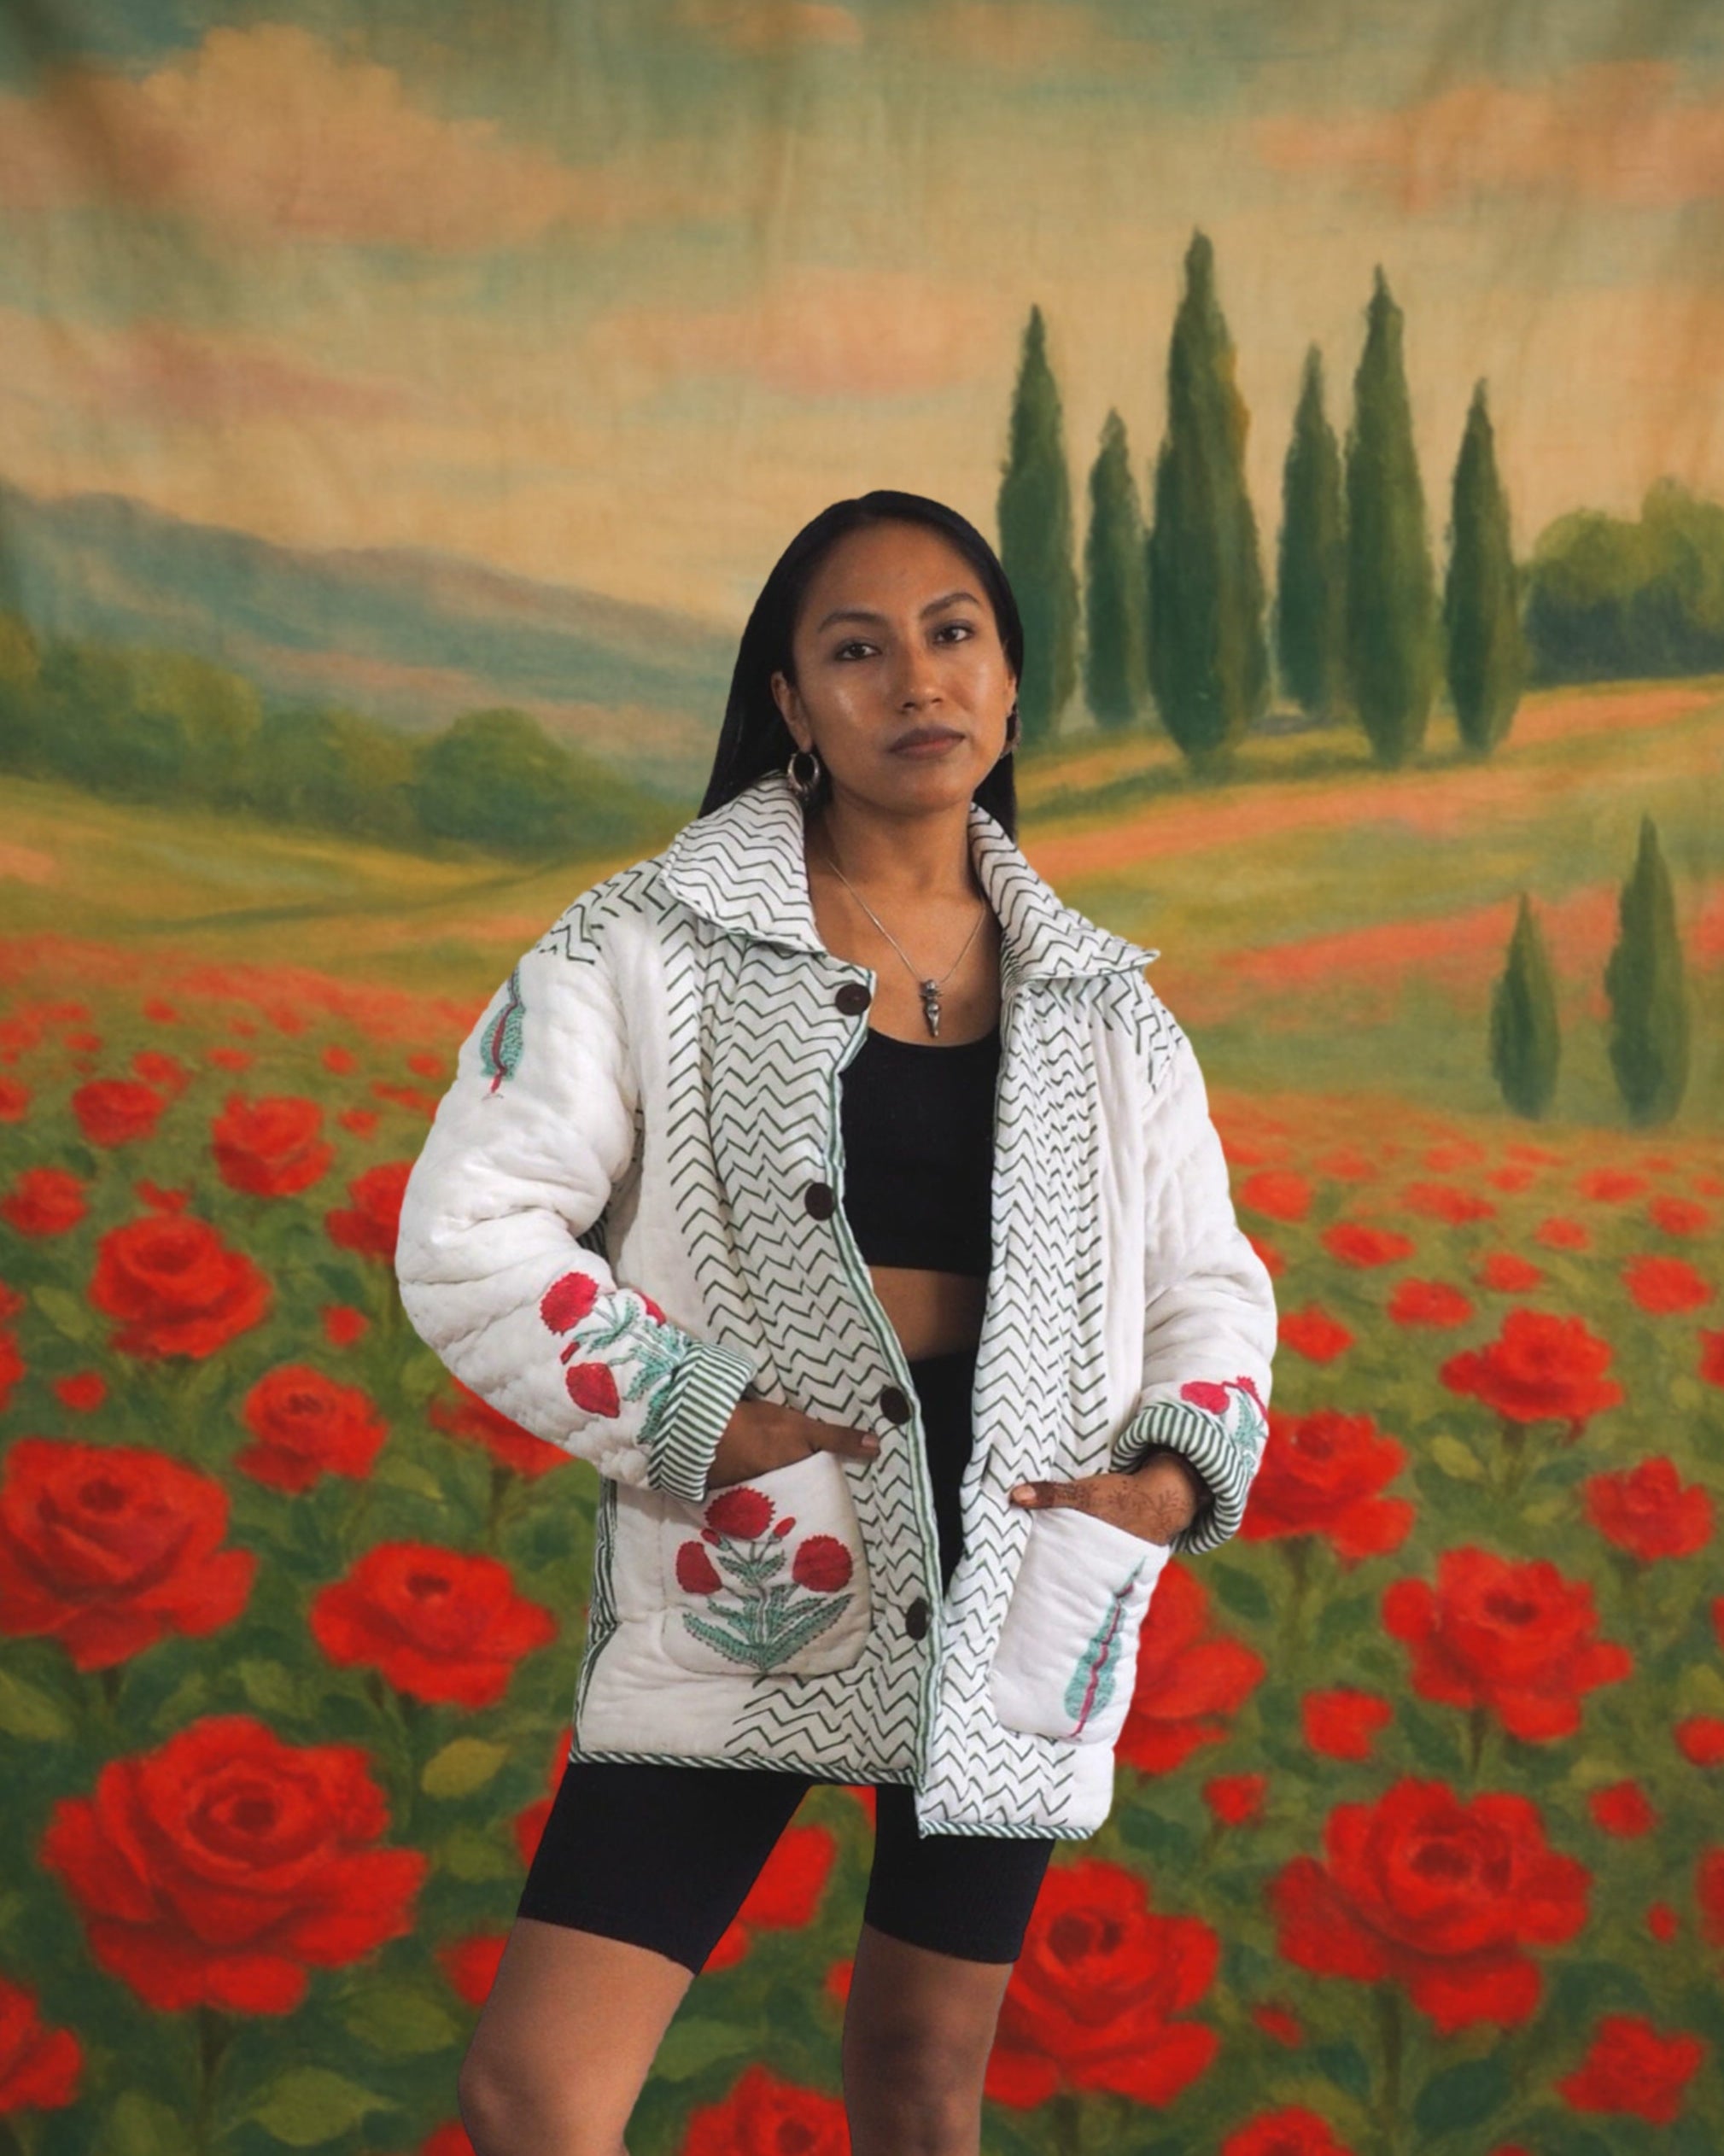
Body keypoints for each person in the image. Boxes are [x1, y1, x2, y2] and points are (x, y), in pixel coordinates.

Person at [393, 489, 1278, 2156]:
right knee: (535, 2090)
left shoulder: (1112, 1014)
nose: (914, 681)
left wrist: (1166, 1479)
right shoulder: (640, 944)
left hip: (1027, 1563)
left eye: (952, 636)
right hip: (759, 1545)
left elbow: (1208, 1283)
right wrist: (685, 1401)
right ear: (791, 705)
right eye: (854, 650)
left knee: (920, 2078)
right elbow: (469, 1227)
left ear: (1010, 688)